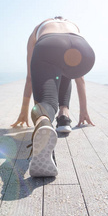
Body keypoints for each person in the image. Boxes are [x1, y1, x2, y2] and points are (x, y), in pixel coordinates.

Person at [11, 16, 95, 177]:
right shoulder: (73, 25)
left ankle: (43, 121)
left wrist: (23, 110)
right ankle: (64, 116)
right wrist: (84, 111)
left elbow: (30, 78)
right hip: (83, 49)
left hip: (48, 46)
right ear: (63, 20)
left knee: (46, 102)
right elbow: (80, 79)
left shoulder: (38, 29)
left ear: (49, 20)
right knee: (66, 70)